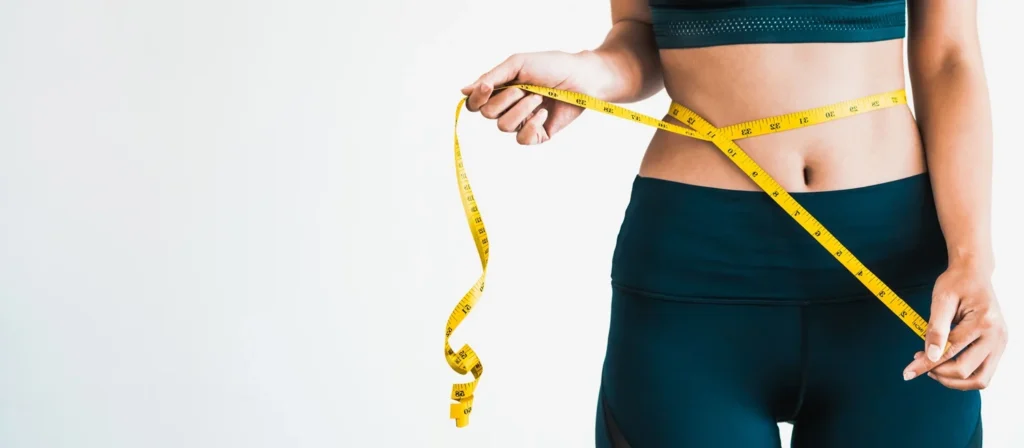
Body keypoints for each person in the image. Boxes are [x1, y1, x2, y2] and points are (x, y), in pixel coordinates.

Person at [459, 0, 1009, 446]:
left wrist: (971, 260)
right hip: (694, 278)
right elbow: (638, 32)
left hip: (895, 270)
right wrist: (589, 73)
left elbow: (949, 57)